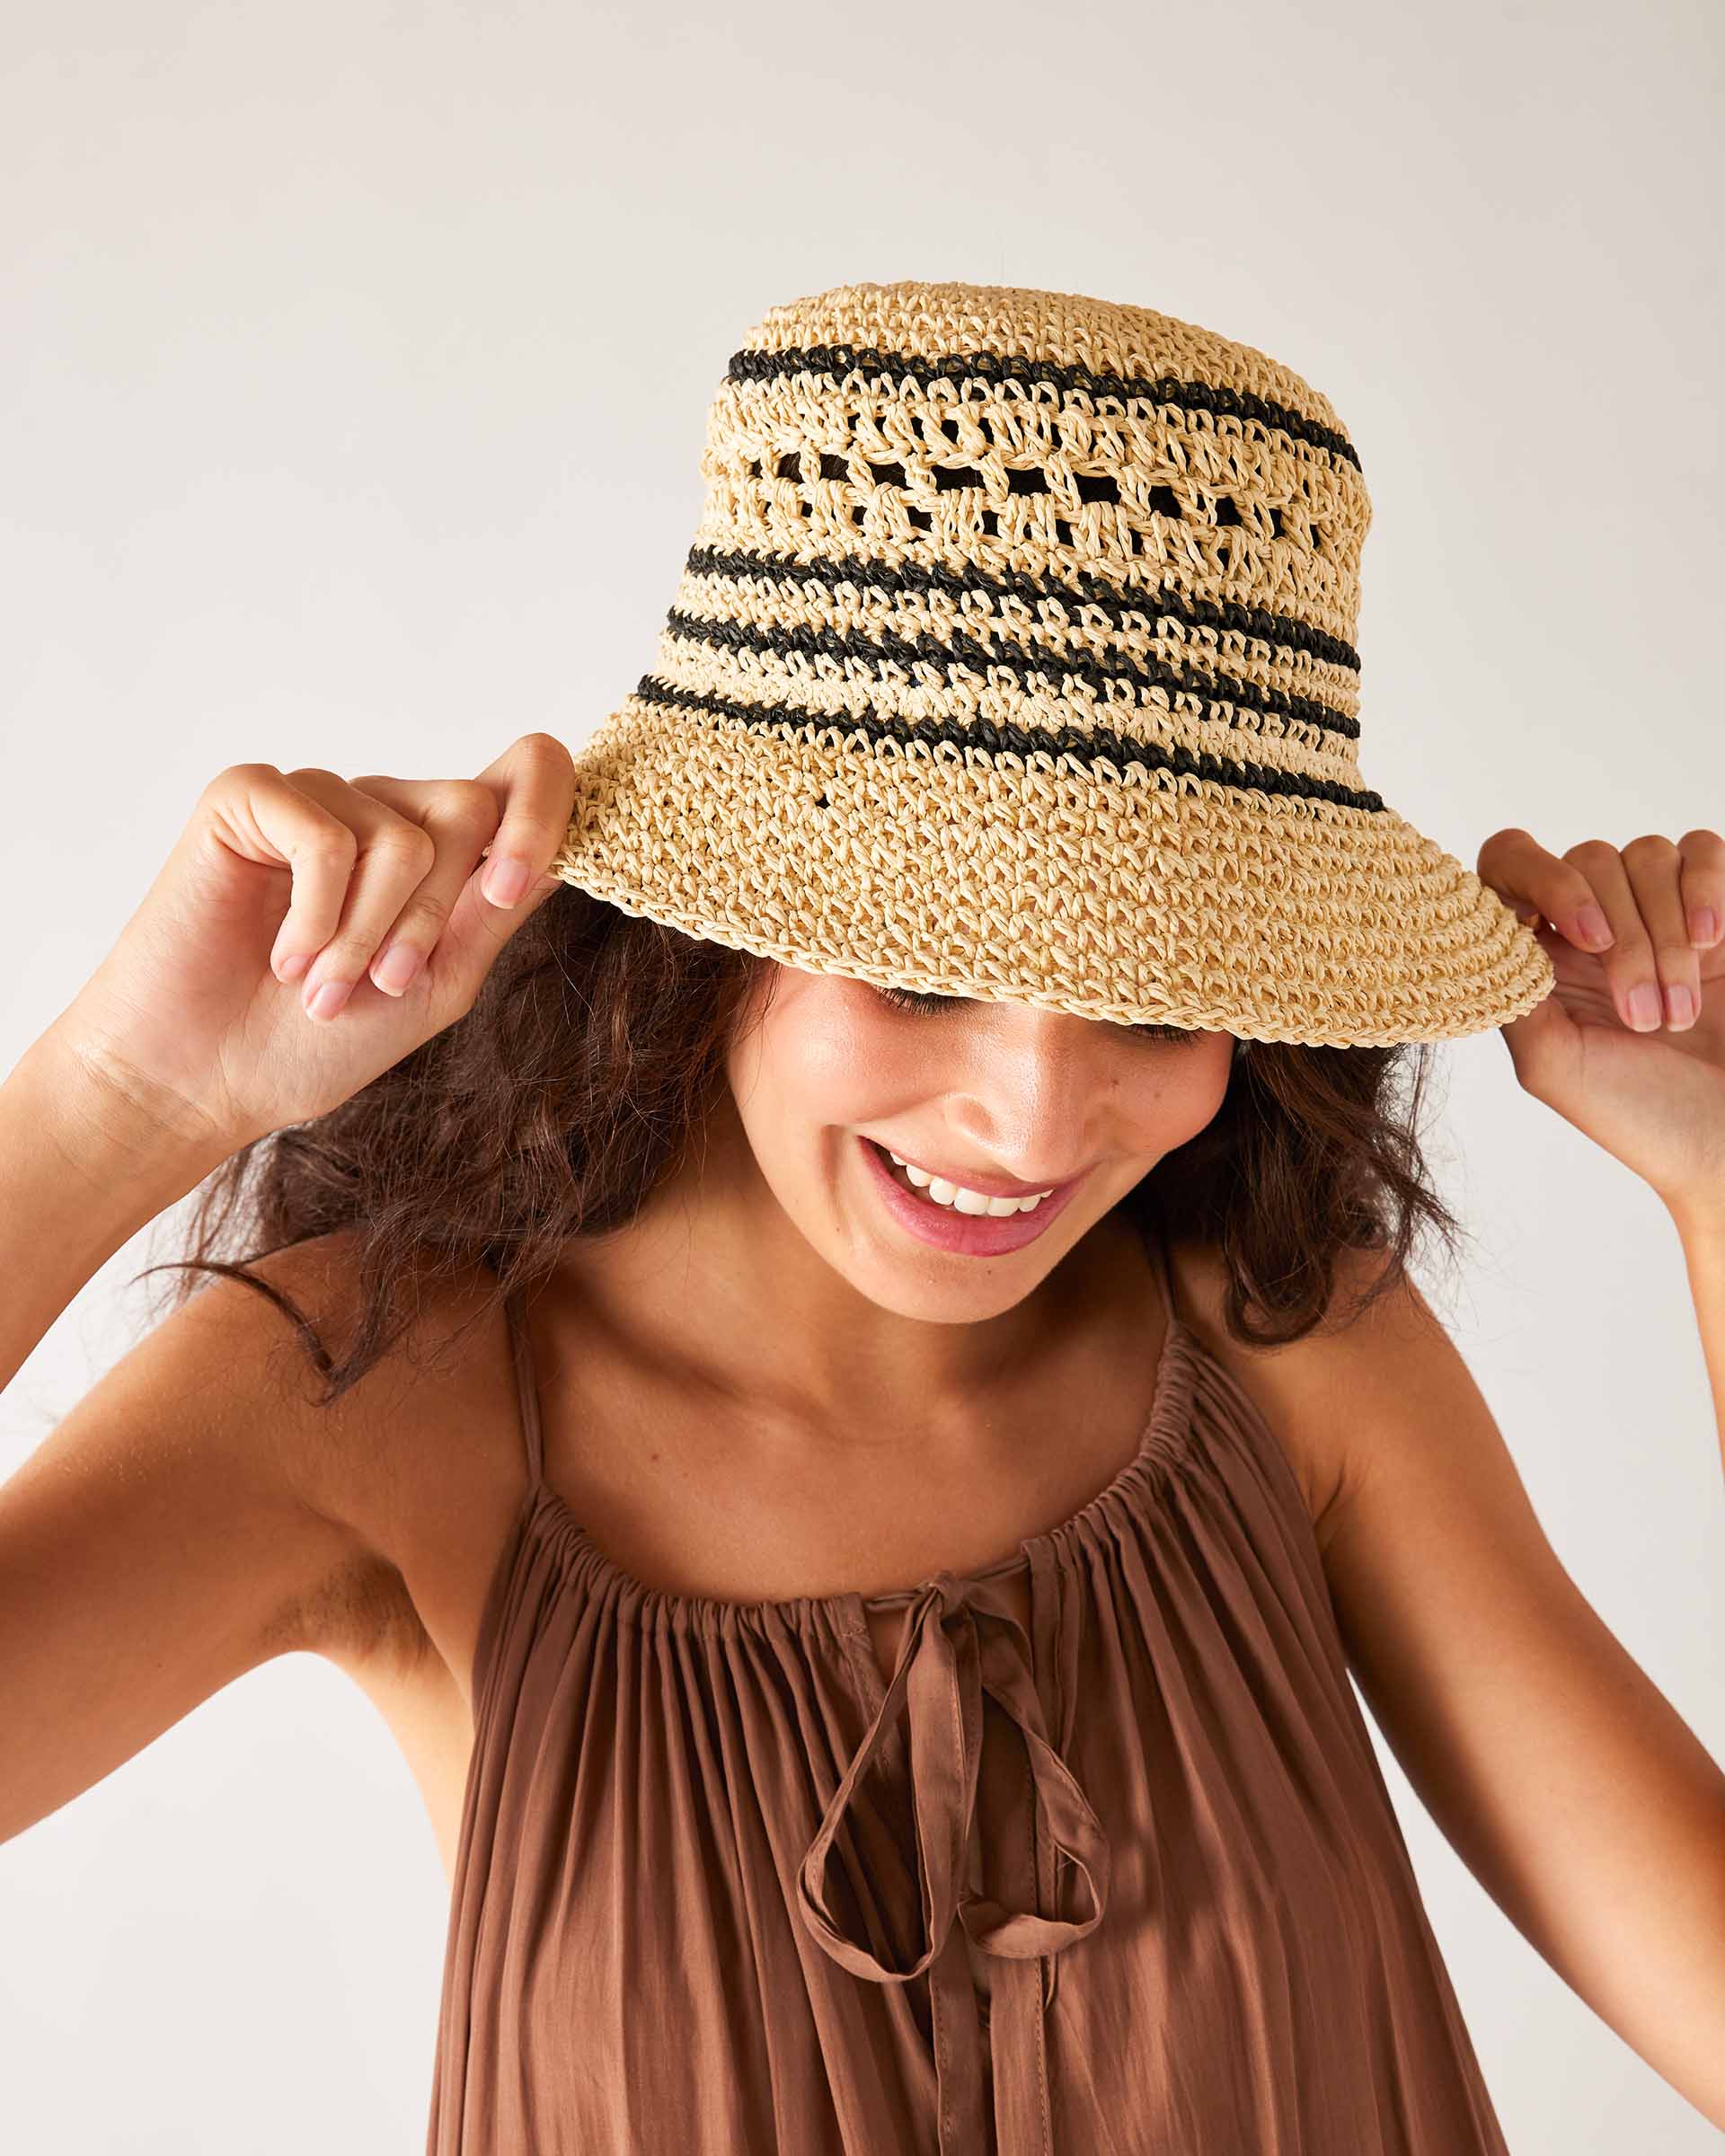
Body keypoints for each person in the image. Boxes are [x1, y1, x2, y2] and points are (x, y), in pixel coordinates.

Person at [3, 278, 1722, 2151]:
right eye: (924, 971)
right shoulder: (375, 1394)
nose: (1037, 1113)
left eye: (1157, 996)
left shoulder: (1297, 1355)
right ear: (715, 927)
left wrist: (1718, 1178)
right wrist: (120, 1103)